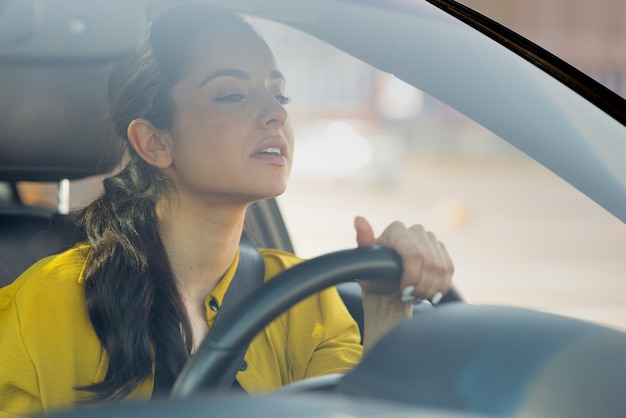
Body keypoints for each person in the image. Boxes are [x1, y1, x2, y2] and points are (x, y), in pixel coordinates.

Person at [0, 4, 454, 416]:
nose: (276, 113)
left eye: (280, 95)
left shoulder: (307, 301)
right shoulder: (37, 308)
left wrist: (387, 310)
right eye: (232, 95)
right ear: (154, 142)